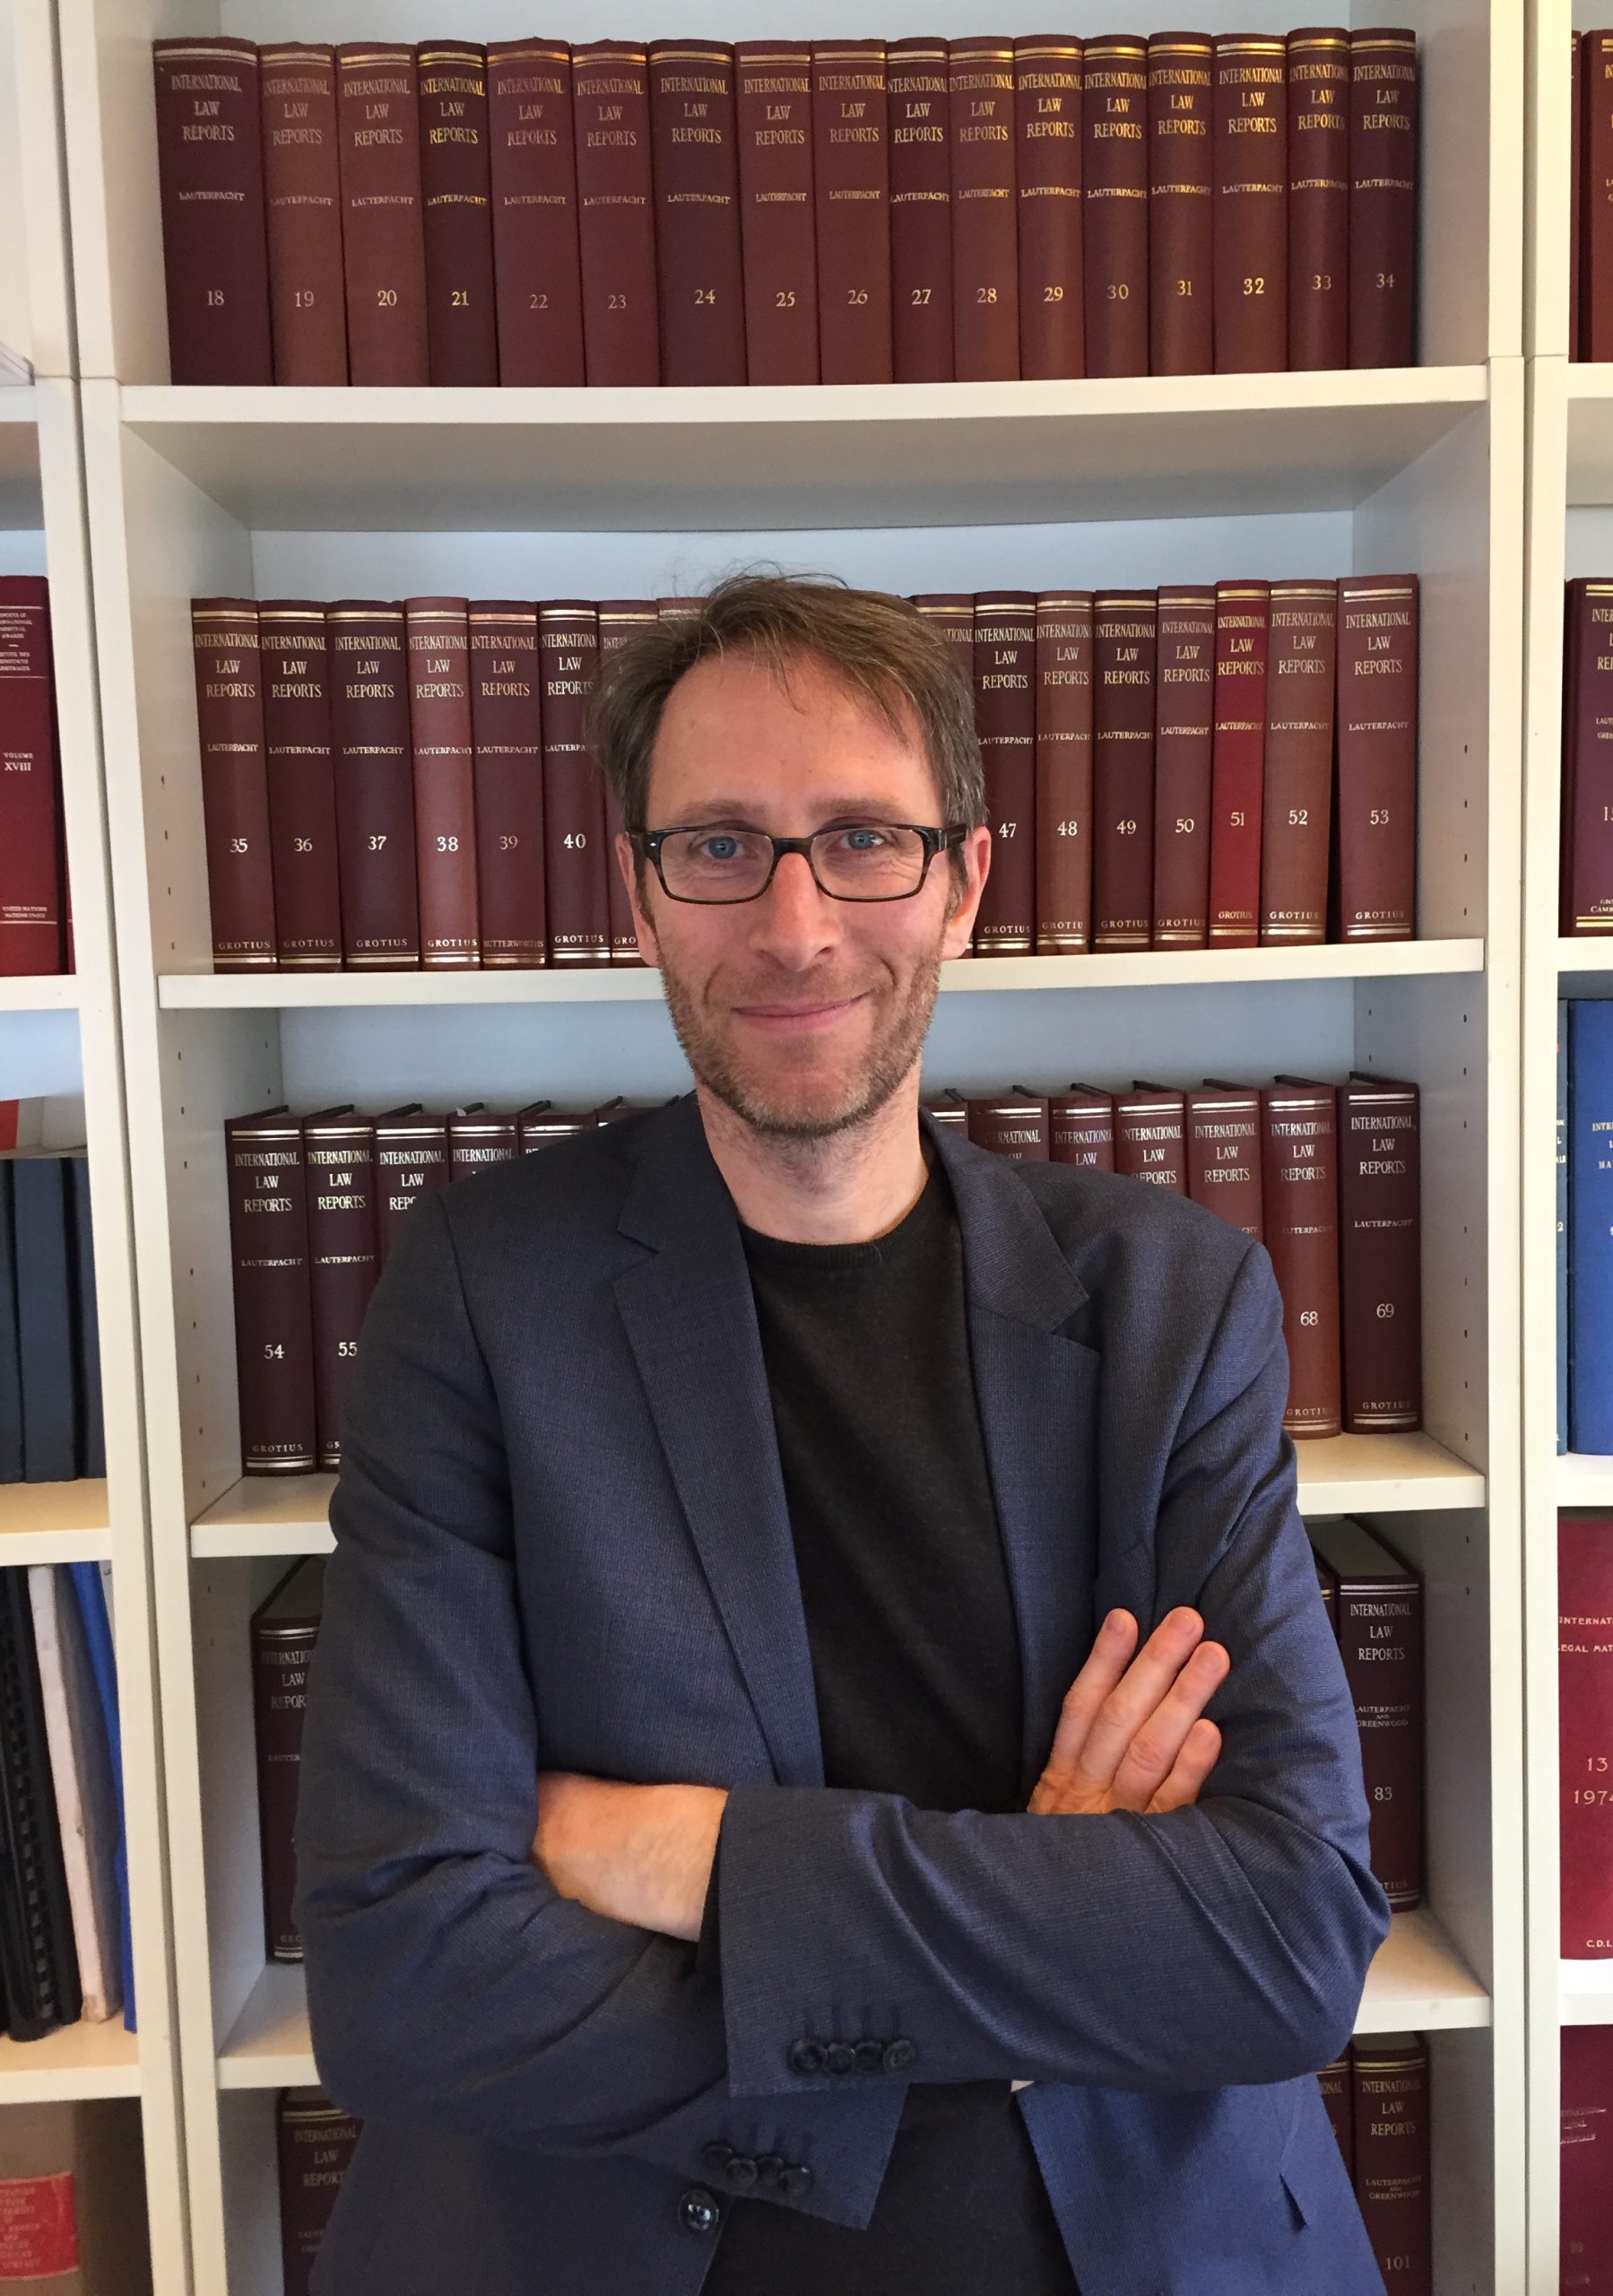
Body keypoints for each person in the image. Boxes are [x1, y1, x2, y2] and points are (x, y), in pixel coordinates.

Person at [293, 571, 1393, 2296]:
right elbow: (405, 1976)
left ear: (965, 882)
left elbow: (1285, 1943)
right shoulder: (483, 1290)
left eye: (865, 839)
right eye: (720, 845)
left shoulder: (1174, 1302)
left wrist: (694, 1856)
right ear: (641, 896)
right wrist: (1046, 1941)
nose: (795, 925)